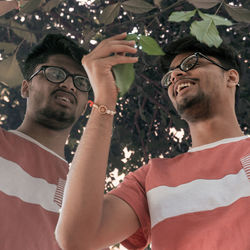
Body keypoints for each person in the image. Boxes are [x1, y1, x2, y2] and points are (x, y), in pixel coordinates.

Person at [55, 33, 250, 250]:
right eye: (169, 76)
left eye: (191, 62)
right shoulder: (151, 178)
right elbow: (77, 237)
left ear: (231, 78)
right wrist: (104, 100)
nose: (175, 74)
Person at [0, 33, 90, 249]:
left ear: (85, 107)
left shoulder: (85, 195)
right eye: (55, 73)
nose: (69, 85)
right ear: (25, 87)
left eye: (80, 82)